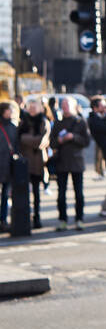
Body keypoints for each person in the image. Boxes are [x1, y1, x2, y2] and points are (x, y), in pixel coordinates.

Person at [50, 98, 89, 230]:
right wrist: (60, 140)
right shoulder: (58, 123)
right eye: (63, 105)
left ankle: (79, 219)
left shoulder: (80, 121)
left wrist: (73, 137)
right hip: (61, 162)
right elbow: (52, 143)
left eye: (67, 105)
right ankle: (63, 220)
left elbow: (86, 141)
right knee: (61, 194)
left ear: (73, 106)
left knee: (79, 193)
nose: (65, 107)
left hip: (77, 162)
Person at [18, 99, 51, 228]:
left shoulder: (43, 121)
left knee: (36, 193)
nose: (32, 110)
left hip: (38, 162)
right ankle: (25, 217)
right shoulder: (23, 122)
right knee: (23, 192)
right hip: (25, 161)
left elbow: (41, 141)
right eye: (30, 107)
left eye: (34, 107)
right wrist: (29, 140)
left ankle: (37, 217)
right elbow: (18, 140)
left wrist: (26, 139)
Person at [0, 101, 20, 234]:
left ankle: (3, 220)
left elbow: (16, 146)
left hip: (8, 165)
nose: (11, 112)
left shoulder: (14, 127)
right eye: (9, 110)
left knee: (6, 195)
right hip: (2, 163)